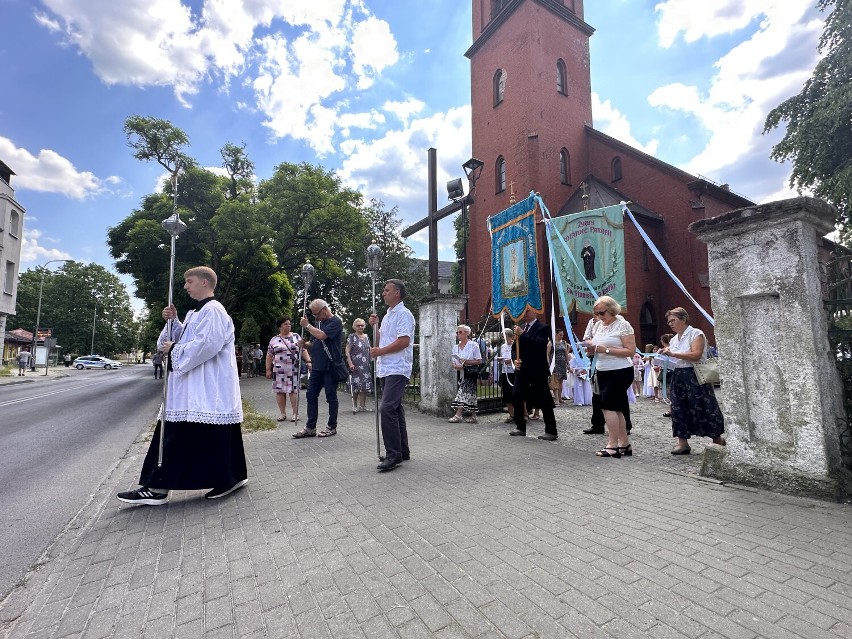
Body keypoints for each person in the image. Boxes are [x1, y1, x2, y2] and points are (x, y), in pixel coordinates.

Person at [117, 266, 247, 505]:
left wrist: (174, 350)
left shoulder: (214, 311)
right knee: (189, 436)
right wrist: (173, 321)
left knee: (183, 436)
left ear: (205, 282)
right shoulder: (194, 313)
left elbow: (206, 345)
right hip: (192, 388)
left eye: (189, 281)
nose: (185, 286)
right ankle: (221, 478)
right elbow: (179, 339)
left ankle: (161, 487)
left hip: (207, 387)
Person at [662, 307, 725, 454]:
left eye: (673, 320)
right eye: (668, 321)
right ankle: (683, 443)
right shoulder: (673, 339)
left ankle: (717, 440)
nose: (670, 324)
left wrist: (674, 353)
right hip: (678, 375)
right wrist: (665, 356)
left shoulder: (696, 334)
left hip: (695, 374)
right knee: (678, 408)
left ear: (683, 319)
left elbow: (696, 355)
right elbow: (676, 357)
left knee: (703, 405)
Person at [369, 279, 416, 472]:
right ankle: (402, 450)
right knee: (395, 409)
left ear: (397, 293)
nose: (383, 293)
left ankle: (393, 454)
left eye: (386, 290)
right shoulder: (388, 315)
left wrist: (381, 352)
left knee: (387, 408)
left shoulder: (403, 314)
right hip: (386, 368)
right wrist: (376, 325)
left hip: (397, 367)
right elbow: (381, 339)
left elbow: (404, 341)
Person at [582, 295, 635, 458]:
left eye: (602, 313)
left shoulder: (623, 325)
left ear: (612, 310)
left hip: (619, 370)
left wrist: (604, 350)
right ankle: (624, 444)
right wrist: (591, 349)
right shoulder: (599, 326)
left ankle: (612, 444)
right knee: (616, 408)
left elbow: (630, 351)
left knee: (608, 407)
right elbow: (597, 346)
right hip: (602, 369)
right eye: (596, 313)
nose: (599, 316)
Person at [294, 298, 343, 438]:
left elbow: (322, 336)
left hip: (330, 366)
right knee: (310, 394)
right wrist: (306, 344)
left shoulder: (336, 322)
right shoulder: (318, 323)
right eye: (314, 315)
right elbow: (316, 341)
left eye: (316, 314)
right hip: (317, 366)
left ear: (325, 309)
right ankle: (310, 427)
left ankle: (332, 426)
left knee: (331, 396)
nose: (315, 316)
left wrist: (307, 325)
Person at [509, 308, 558, 440]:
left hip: (537, 370)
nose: (524, 314)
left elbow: (539, 345)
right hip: (522, 369)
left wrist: (523, 334)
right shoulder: (521, 328)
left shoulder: (543, 327)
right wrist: (515, 359)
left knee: (544, 399)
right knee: (516, 395)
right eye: (523, 312)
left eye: (527, 312)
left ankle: (551, 431)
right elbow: (514, 348)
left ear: (535, 312)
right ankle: (520, 427)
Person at [266, 317, 309, 422]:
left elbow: (303, 350)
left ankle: (295, 413)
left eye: (289, 324)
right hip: (279, 369)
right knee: (280, 391)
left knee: (293, 391)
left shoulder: (296, 336)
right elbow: (269, 355)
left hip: (293, 368)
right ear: (280, 326)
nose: (288, 325)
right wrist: (268, 369)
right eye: (285, 324)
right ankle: (282, 413)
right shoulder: (274, 339)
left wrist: (308, 361)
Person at [449, 325, 482, 423]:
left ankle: (458, 414)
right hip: (461, 373)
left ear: (467, 333)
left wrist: (467, 361)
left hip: (471, 372)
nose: (458, 334)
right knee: (470, 393)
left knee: (462, 391)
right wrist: (456, 366)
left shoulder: (473, 345)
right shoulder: (455, 347)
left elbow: (479, 360)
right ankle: (474, 416)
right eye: (457, 332)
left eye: (460, 332)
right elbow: (453, 363)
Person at [345, 318, 373, 413]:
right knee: (356, 385)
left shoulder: (366, 336)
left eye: (362, 325)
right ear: (354, 327)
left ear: (364, 326)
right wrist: (350, 363)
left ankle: (362, 406)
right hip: (355, 365)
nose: (360, 327)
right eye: (358, 325)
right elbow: (347, 351)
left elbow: (369, 349)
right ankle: (355, 406)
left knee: (364, 386)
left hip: (365, 365)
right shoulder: (352, 336)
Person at [498, 328, 516, 424]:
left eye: (506, 337)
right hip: (505, 372)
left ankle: (520, 414)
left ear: (510, 336)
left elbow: (518, 357)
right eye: (503, 337)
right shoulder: (503, 346)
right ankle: (511, 415)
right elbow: (503, 357)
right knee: (507, 394)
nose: (504, 339)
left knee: (515, 394)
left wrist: (511, 361)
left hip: (514, 372)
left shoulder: (515, 345)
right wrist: (501, 360)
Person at [549, 328, 568, 405]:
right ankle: (556, 399)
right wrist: (549, 364)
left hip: (562, 363)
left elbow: (566, 353)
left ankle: (560, 398)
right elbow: (547, 354)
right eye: (560, 335)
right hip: (555, 364)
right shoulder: (551, 343)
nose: (562, 336)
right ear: (556, 334)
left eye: (562, 335)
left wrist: (567, 363)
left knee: (561, 382)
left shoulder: (564, 342)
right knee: (555, 381)